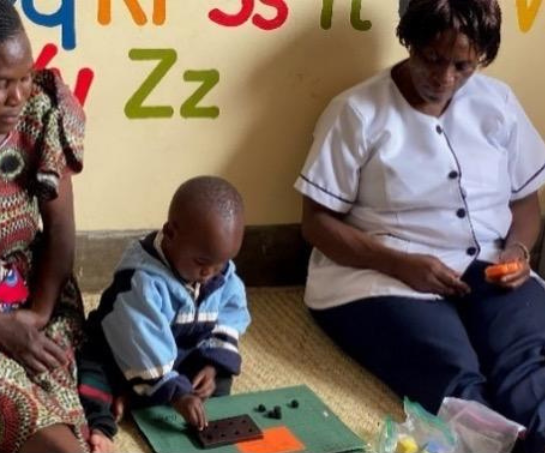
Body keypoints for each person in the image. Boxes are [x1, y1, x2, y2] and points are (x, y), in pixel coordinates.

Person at [294, 0, 545, 451]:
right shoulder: (357, 112)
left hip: (491, 268)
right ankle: (500, 445)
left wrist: (519, 252)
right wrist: (399, 263)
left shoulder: (498, 102)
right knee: (451, 370)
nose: (445, 77)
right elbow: (316, 223)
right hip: (381, 276)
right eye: (432, 58)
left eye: (463, 65)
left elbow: (526, 203)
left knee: (525, 367)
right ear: (409, 41)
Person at [78, 176, 250, 450]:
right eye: (202, 263)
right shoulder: (142, 281)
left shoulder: (218, 272)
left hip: (176, 358)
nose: (210, 274)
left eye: (221, 264)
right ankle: (102, 424)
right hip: (126, 354)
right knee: (90, 378)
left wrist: (212, 363)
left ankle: (141, 398)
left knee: (219, 377)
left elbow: (232, 311)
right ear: (170, 234)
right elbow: (141, 345)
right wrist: (178, 393)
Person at [0, 1, 90, 452]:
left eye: (25, 77)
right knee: (31, 418)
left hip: (26, 287)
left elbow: (59, 231)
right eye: (1, 83)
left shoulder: (39, 111)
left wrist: (36, 313)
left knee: (58, 373)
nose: (17, 96)